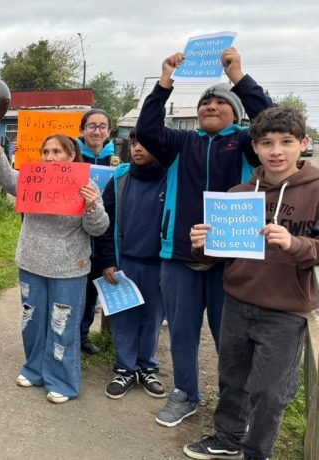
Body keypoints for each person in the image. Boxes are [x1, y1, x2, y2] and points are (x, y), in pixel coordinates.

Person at [135, 47, 275, 427]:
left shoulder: (247, 143)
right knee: (182, 331)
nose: (210, 106)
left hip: (233, 257)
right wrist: (164, 83)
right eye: (205, 103)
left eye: (220, 101)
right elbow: (146, 130)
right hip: (180, 255)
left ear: (235, 111)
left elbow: (273, 123)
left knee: (230, 339)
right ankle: (185, 394)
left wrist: (239, 79)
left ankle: (234, 409)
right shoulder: (181, 144)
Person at [184, 107, 318, 460]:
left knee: (271, 392)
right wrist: (203, 245)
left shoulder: (317, 190)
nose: (277, 151)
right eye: (267, 143)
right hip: (238, 301)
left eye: (286, 142)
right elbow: (220, 256)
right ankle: (227, 439)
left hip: (286, 310)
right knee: (233, 379)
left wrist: (294, 244)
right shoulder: (240, 192)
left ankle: (256, 452)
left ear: (303, 144)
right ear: (255, 147)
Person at [0, 125, 108, 401]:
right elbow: (7, 179)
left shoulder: (87, 186)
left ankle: (62, 381)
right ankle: (34, 370)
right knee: (31, 322)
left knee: (62, 326)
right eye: (46, 152)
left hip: (68, 270)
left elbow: (99, 228)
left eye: (56, 151)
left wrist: (91, 207)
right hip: (31, 264)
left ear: (70, 156)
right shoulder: (31, 180)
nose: (50, 157)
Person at [94, 130, 167, 399]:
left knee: (153, 318)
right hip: (124, 260)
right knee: (124, 317)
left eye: (145, 143)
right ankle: (125, 369)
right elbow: (105, 222)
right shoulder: (120, 177)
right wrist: (108, 261)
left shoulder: (171, 177)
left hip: (160, 263)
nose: (137, 148)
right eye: (135, 143)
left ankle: (147, 367)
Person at [75, 108, 117, 356]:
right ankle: (69, 335)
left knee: (93, 289)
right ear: (82, 130)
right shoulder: (74, 157)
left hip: (104, 232)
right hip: (76, 231)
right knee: (74, 290)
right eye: (92, 126)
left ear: (109, 132)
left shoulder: (117, 160)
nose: (97, 131)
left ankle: (83, 336)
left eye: (102, 126)